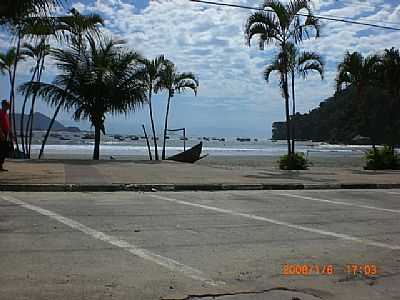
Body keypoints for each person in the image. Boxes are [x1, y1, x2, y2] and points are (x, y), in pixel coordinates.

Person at [0, 100, 11, 171]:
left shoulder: (5, 114)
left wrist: (10, 133)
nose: (8, 107)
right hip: (2, 132)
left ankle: (0, 165)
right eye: (7, 105)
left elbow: (7, 124)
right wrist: (1, 133)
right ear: (3, 105)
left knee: (4, 150)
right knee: (1, 150)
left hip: (5, 132)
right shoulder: (0, 112)